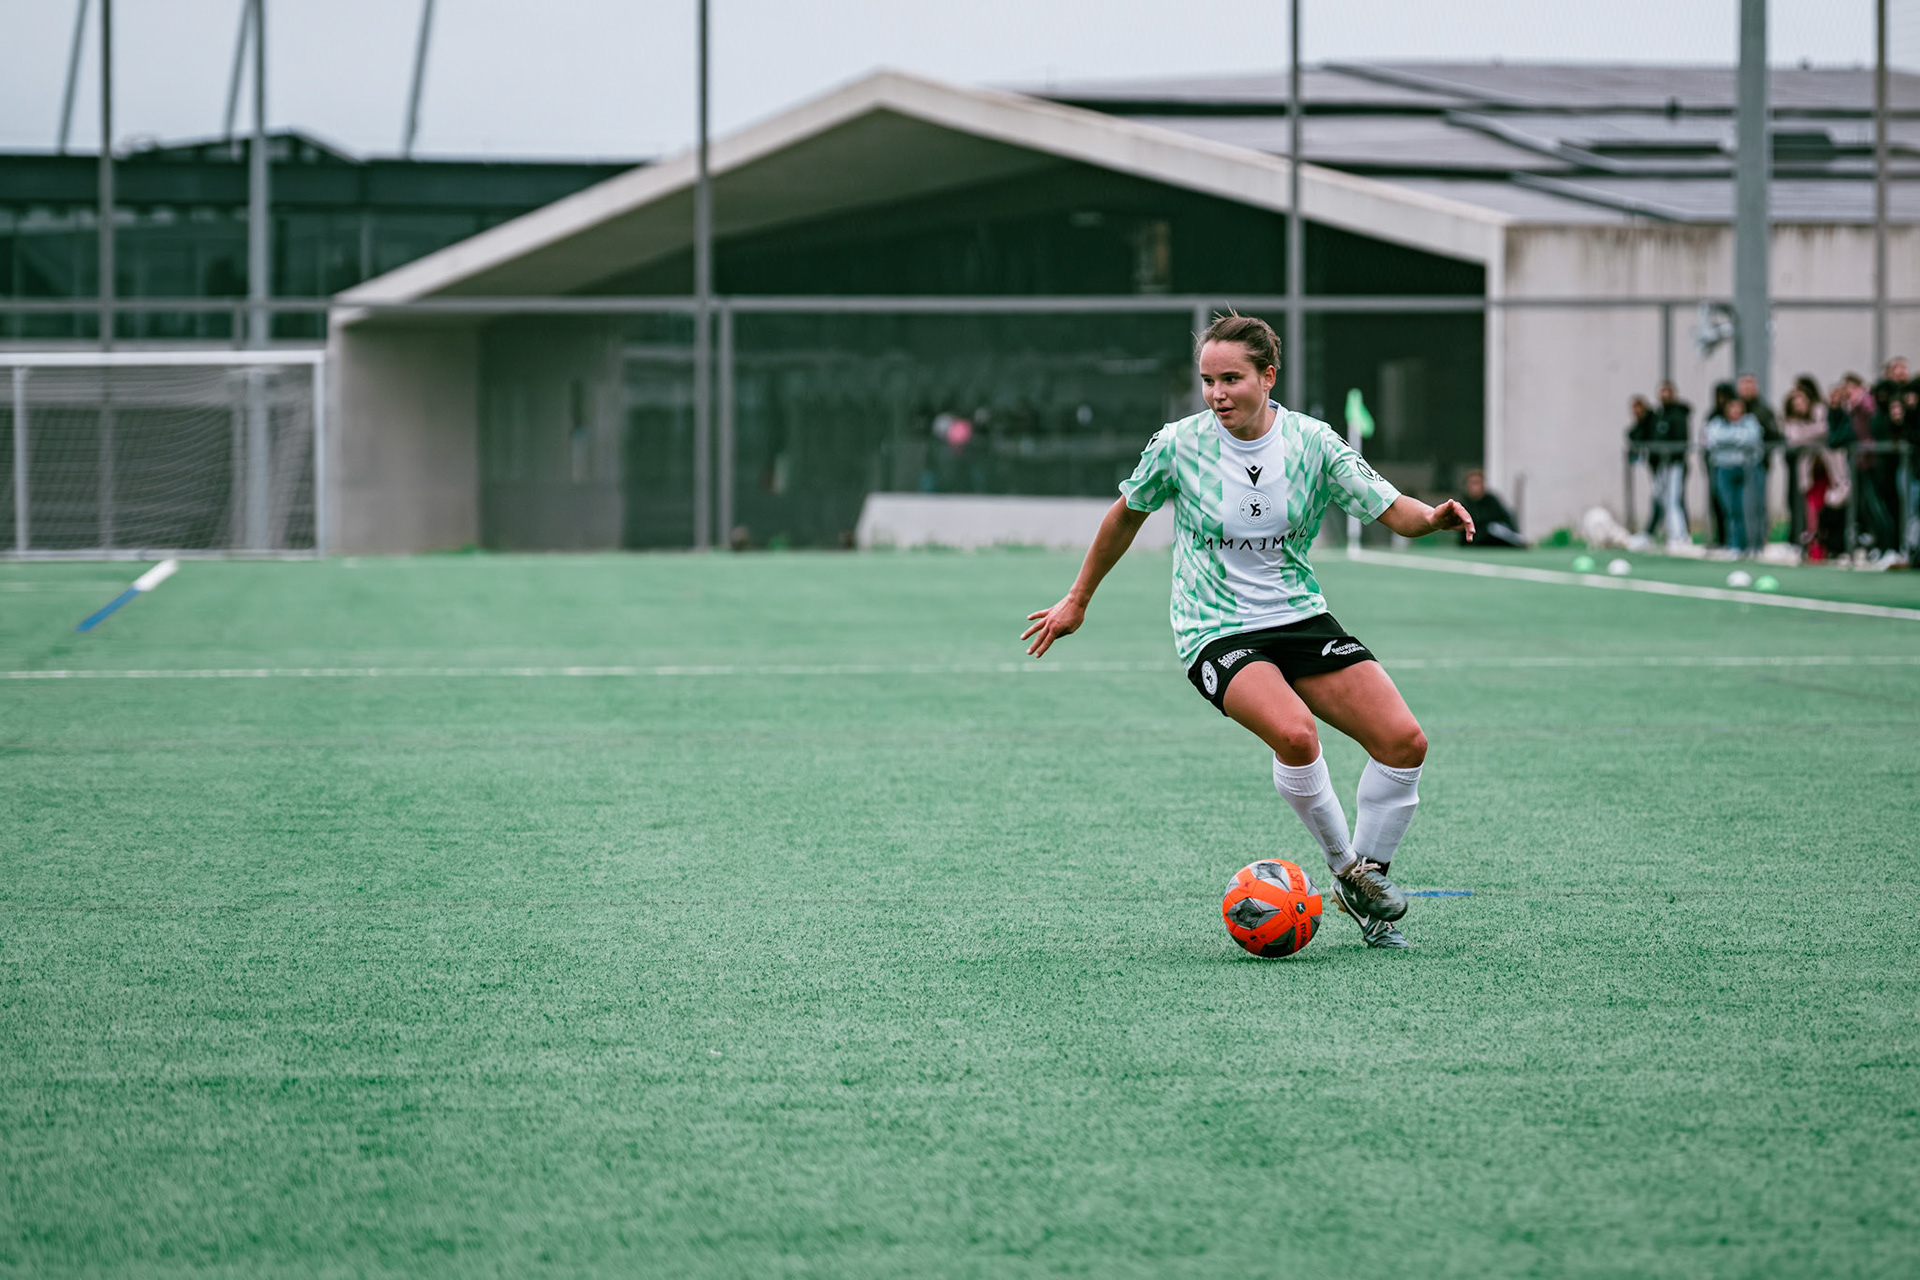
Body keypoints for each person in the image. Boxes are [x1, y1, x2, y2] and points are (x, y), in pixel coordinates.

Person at [1022, 313, 1475, 950]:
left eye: (1231, 379)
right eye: (1208, 381)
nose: (1217, 394)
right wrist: (1078, 598)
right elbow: (1127, 514)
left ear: (1268, 375)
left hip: (1299, 615)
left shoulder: (1313, 442)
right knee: (1295, 733)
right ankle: (1346, 869)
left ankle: (1369, 877)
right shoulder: (1180, 444)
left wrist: (1432, 518)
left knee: (1404, 743)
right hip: (1215, 626)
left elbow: (1389, 507)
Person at [1705, 388, 1763, 555]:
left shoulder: (1750, 421)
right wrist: (1737, 438)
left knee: (1749, 508)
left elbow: (1751, 439)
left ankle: (1752, 545)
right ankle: (1734, 544)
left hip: (1747, 469)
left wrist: (1730, 439)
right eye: (1732, 407)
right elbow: (1713, 439)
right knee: (1730, 509)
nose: (1735, 411)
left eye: (1739, 408)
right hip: (1724, 468)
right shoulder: (1717, 423)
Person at [1458, 468, 1525, 547]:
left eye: (1478, 483)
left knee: (1493, 528)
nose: (1475, 487)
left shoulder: (1492, 501)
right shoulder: (1464, 504)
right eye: (1473, 483)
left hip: (1494, 539)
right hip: (1475, 541)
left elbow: (1506, 518)